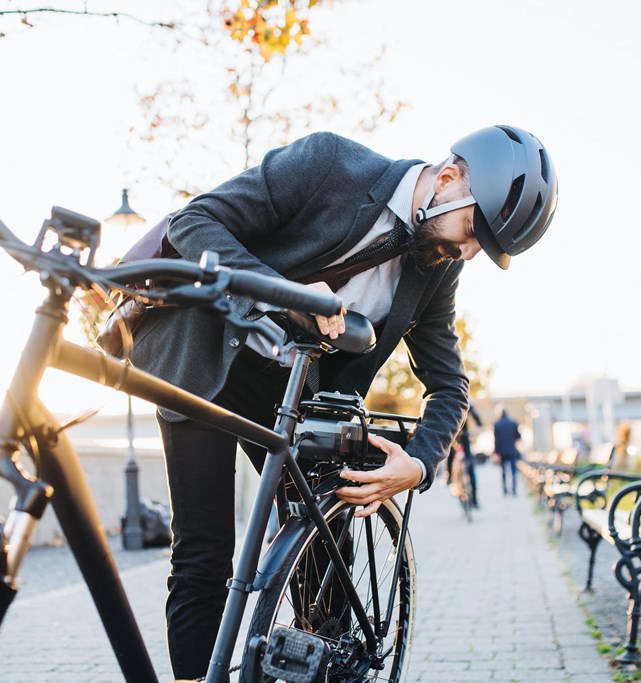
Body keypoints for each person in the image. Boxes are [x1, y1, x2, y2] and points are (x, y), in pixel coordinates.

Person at [127, 126, 558, 678]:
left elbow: (450, 385)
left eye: (483, 249)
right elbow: (194, 223)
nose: (469, 253)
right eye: (474, 231)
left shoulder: (437, 267)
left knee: (325, 558)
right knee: (202, 556)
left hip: (299, 394)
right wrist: (290, 297)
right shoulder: (329, 163)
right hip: (207, 354)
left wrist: (420, 463)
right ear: (448, 179)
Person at [448, 401, 482, 506]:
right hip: (454, 436)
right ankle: (449, 476)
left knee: (468, 464)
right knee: (451, 456)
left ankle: (474, 497)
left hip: (458, 436)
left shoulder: (465, 402)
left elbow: (477, 419)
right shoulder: (463, 400)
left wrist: (479, 427)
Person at [493, 405, 522, 495]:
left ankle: (505, 489)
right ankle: (513, 489)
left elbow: (496, 440)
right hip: (512, 450)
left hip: (501, 451)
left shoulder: (496, 424)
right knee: (513, 470)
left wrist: (496, 452)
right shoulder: (513, 423)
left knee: (503, 470)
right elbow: (518, 436)